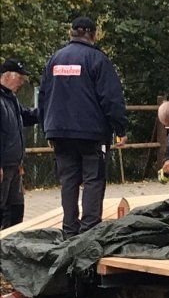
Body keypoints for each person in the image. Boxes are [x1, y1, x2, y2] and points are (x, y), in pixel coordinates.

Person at [38, 17, 127, 237]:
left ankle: (69, 231)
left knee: (68, 181)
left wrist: (46, 129)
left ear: (71, 33)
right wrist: (120, 129)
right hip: (91, 133)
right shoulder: (97, 59)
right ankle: (89, 232)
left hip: (59, 131)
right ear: (93, 35)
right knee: (93, 180)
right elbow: (111, 98)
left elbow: (44, 96)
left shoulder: (54, 60)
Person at [0, 58, 39, 229]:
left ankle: (12, 240)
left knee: (16, 209)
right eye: (19, 78)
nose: (22, 82)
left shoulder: (11, 98)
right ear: (6, 75)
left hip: (15, 165)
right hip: (3, 166)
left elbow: (26, 116)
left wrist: (47, 111)